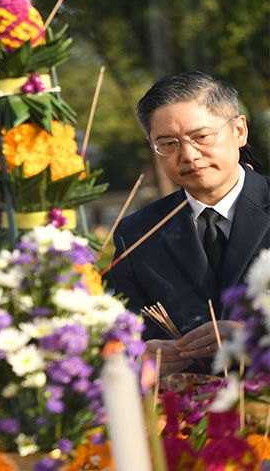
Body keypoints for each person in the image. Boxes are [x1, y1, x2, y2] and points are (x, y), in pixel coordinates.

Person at [105, 71, 269, 376]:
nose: (189, 155)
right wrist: (142, 355)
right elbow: (122, 331)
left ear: (239, 130)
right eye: (167, 143)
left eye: (201, 136)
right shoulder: (138, 234)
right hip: (189, 415)